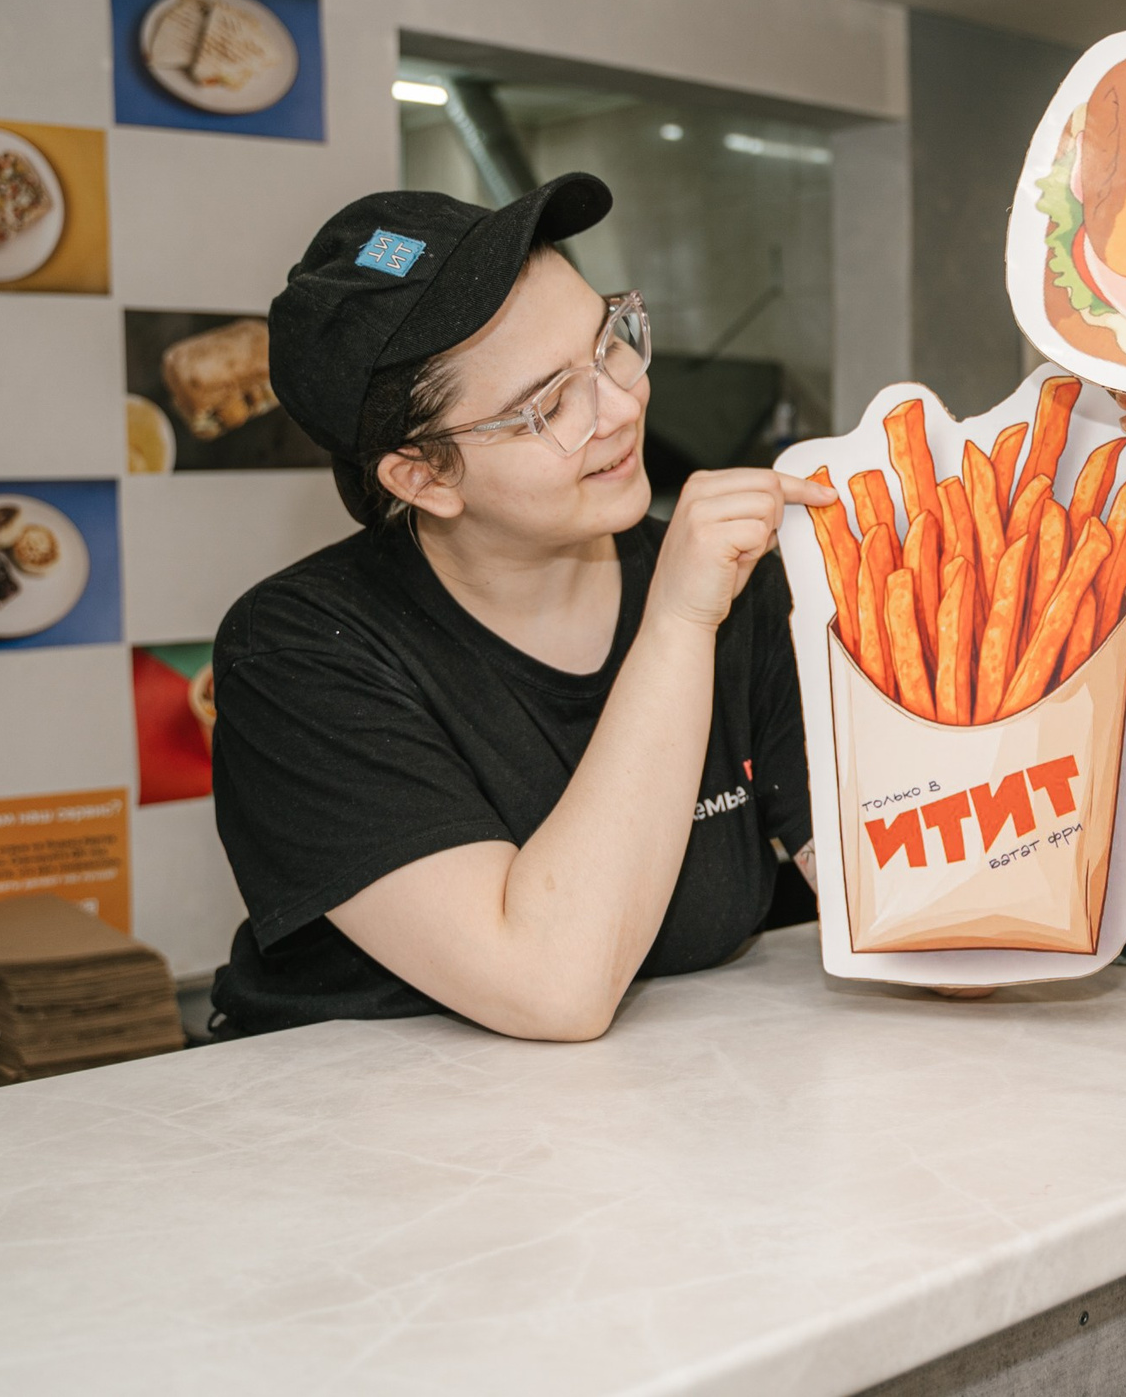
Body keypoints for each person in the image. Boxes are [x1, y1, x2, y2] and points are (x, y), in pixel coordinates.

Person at [205, 175, 840, 1040]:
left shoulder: (743, 586)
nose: (621, 406)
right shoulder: (301, 655)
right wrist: (679, 623)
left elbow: (896, 897)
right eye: (547, 404)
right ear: (423, 475)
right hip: (370, 1147)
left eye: (610, 344)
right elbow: (552, 984)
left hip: (666, 1122)